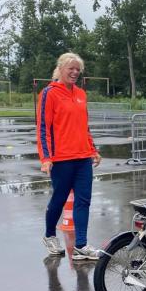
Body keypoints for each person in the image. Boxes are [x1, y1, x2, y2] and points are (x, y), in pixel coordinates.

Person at [37, 52, 101, 260]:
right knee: (59, 199)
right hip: (61, 159)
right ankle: (49, 235)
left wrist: (93, 150)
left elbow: (84, 126)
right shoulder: (49, 93)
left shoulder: (81, 94)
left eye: (77, 69)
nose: (74, 72)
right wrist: (46, 158)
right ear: (60, 69)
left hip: (82, 158)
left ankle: (81, 245)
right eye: (70, 68)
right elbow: (43, 128)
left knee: (84, 201)